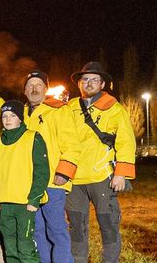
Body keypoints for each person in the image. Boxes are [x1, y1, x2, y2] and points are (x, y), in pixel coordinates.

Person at [64, 62, 136, 263]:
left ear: (102, 84)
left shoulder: (113, 108)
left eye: (94, 79)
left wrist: (121, 172)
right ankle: (78, 260)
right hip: (75, 178)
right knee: (76, 224)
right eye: (85, 79)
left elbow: (126, 140)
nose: (89, 83)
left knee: (108, 222)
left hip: (101, 175)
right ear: (79, 84)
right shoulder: (69, 107)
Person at [22, 71, 81, 263]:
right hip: (29, 184)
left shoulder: (58, 110)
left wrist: (64, 172)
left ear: (46, 89)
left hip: (52, 182)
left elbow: (72, 144)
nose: (34, 88)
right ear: (24, 91)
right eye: (30, 85)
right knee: (37, 231)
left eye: (38, 84)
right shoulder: (20, 113)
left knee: (56, 231)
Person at [0, 100, 49, 263]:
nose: (8, 119)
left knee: (25, 246)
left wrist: (34, 198)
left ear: (20, 119)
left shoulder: (33, 137)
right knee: (9, 247)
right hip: (5, 203)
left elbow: (42, 171)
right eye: (5, 116)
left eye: (13, 116)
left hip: (25, 202)